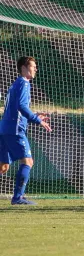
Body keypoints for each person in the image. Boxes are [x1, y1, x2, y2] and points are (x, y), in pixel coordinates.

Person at [0, 56, 52, 205]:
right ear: (23, 68)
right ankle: (18, 198)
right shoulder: (23, 83)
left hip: (5, 128)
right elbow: (22, 107)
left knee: (3, 167)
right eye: (33, 66)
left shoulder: (16, 84)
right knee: (28, 161)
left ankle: (18, 197)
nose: (35, 69)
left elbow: (16, 109)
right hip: (14, 130)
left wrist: (34, 116)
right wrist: (38, 120)